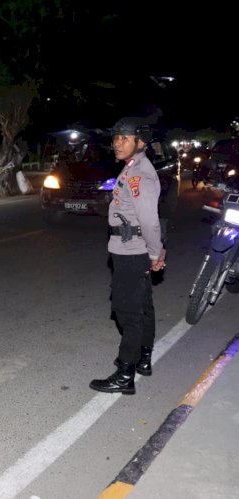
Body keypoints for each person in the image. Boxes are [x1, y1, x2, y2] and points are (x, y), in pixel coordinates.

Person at [90, 118, 166, 395]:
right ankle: (144, 358)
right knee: (143, 304)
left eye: (124, 138)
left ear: (140, 141)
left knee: (127, 311)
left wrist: (155, 253)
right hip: (131, 249)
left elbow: (149, 221)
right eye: (115, 138)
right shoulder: (133, 168)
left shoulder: (139, 175)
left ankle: (125, 373)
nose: (117, 143)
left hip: (132, 252)